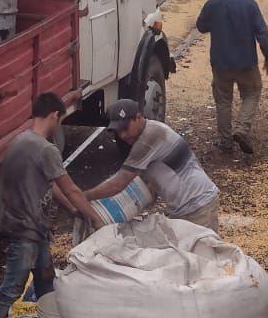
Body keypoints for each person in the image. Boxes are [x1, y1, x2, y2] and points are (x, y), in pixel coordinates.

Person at [0, 92, 102, 318]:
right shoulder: (45, 149)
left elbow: (51, 184)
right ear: (55, 115)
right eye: (61, 119)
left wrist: (71, 210)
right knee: (10, 290)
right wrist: (96, 219)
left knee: (46, 281)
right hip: (27, 232)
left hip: (29, 226)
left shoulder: (21, 142)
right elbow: (70, 187)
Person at [84, 99, 221, 231]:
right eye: (118, 131)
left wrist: (84, 197)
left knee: (202, 254)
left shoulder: (148, 139)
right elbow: (149, 187)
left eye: (125, 128)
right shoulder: (151, 131)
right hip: (184, 208)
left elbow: (117, 185)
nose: (123, 135)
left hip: (198, 206)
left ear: (138, 117)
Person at [195, 0, 268, 155]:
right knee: (252, 92)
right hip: (246, 62)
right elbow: (262, 33)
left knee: (223, 101)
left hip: (220, 63)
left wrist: (214, 1)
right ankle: (241, 129)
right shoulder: (249, 4)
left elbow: (201, 26)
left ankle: (225, 141)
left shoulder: (213, 4)